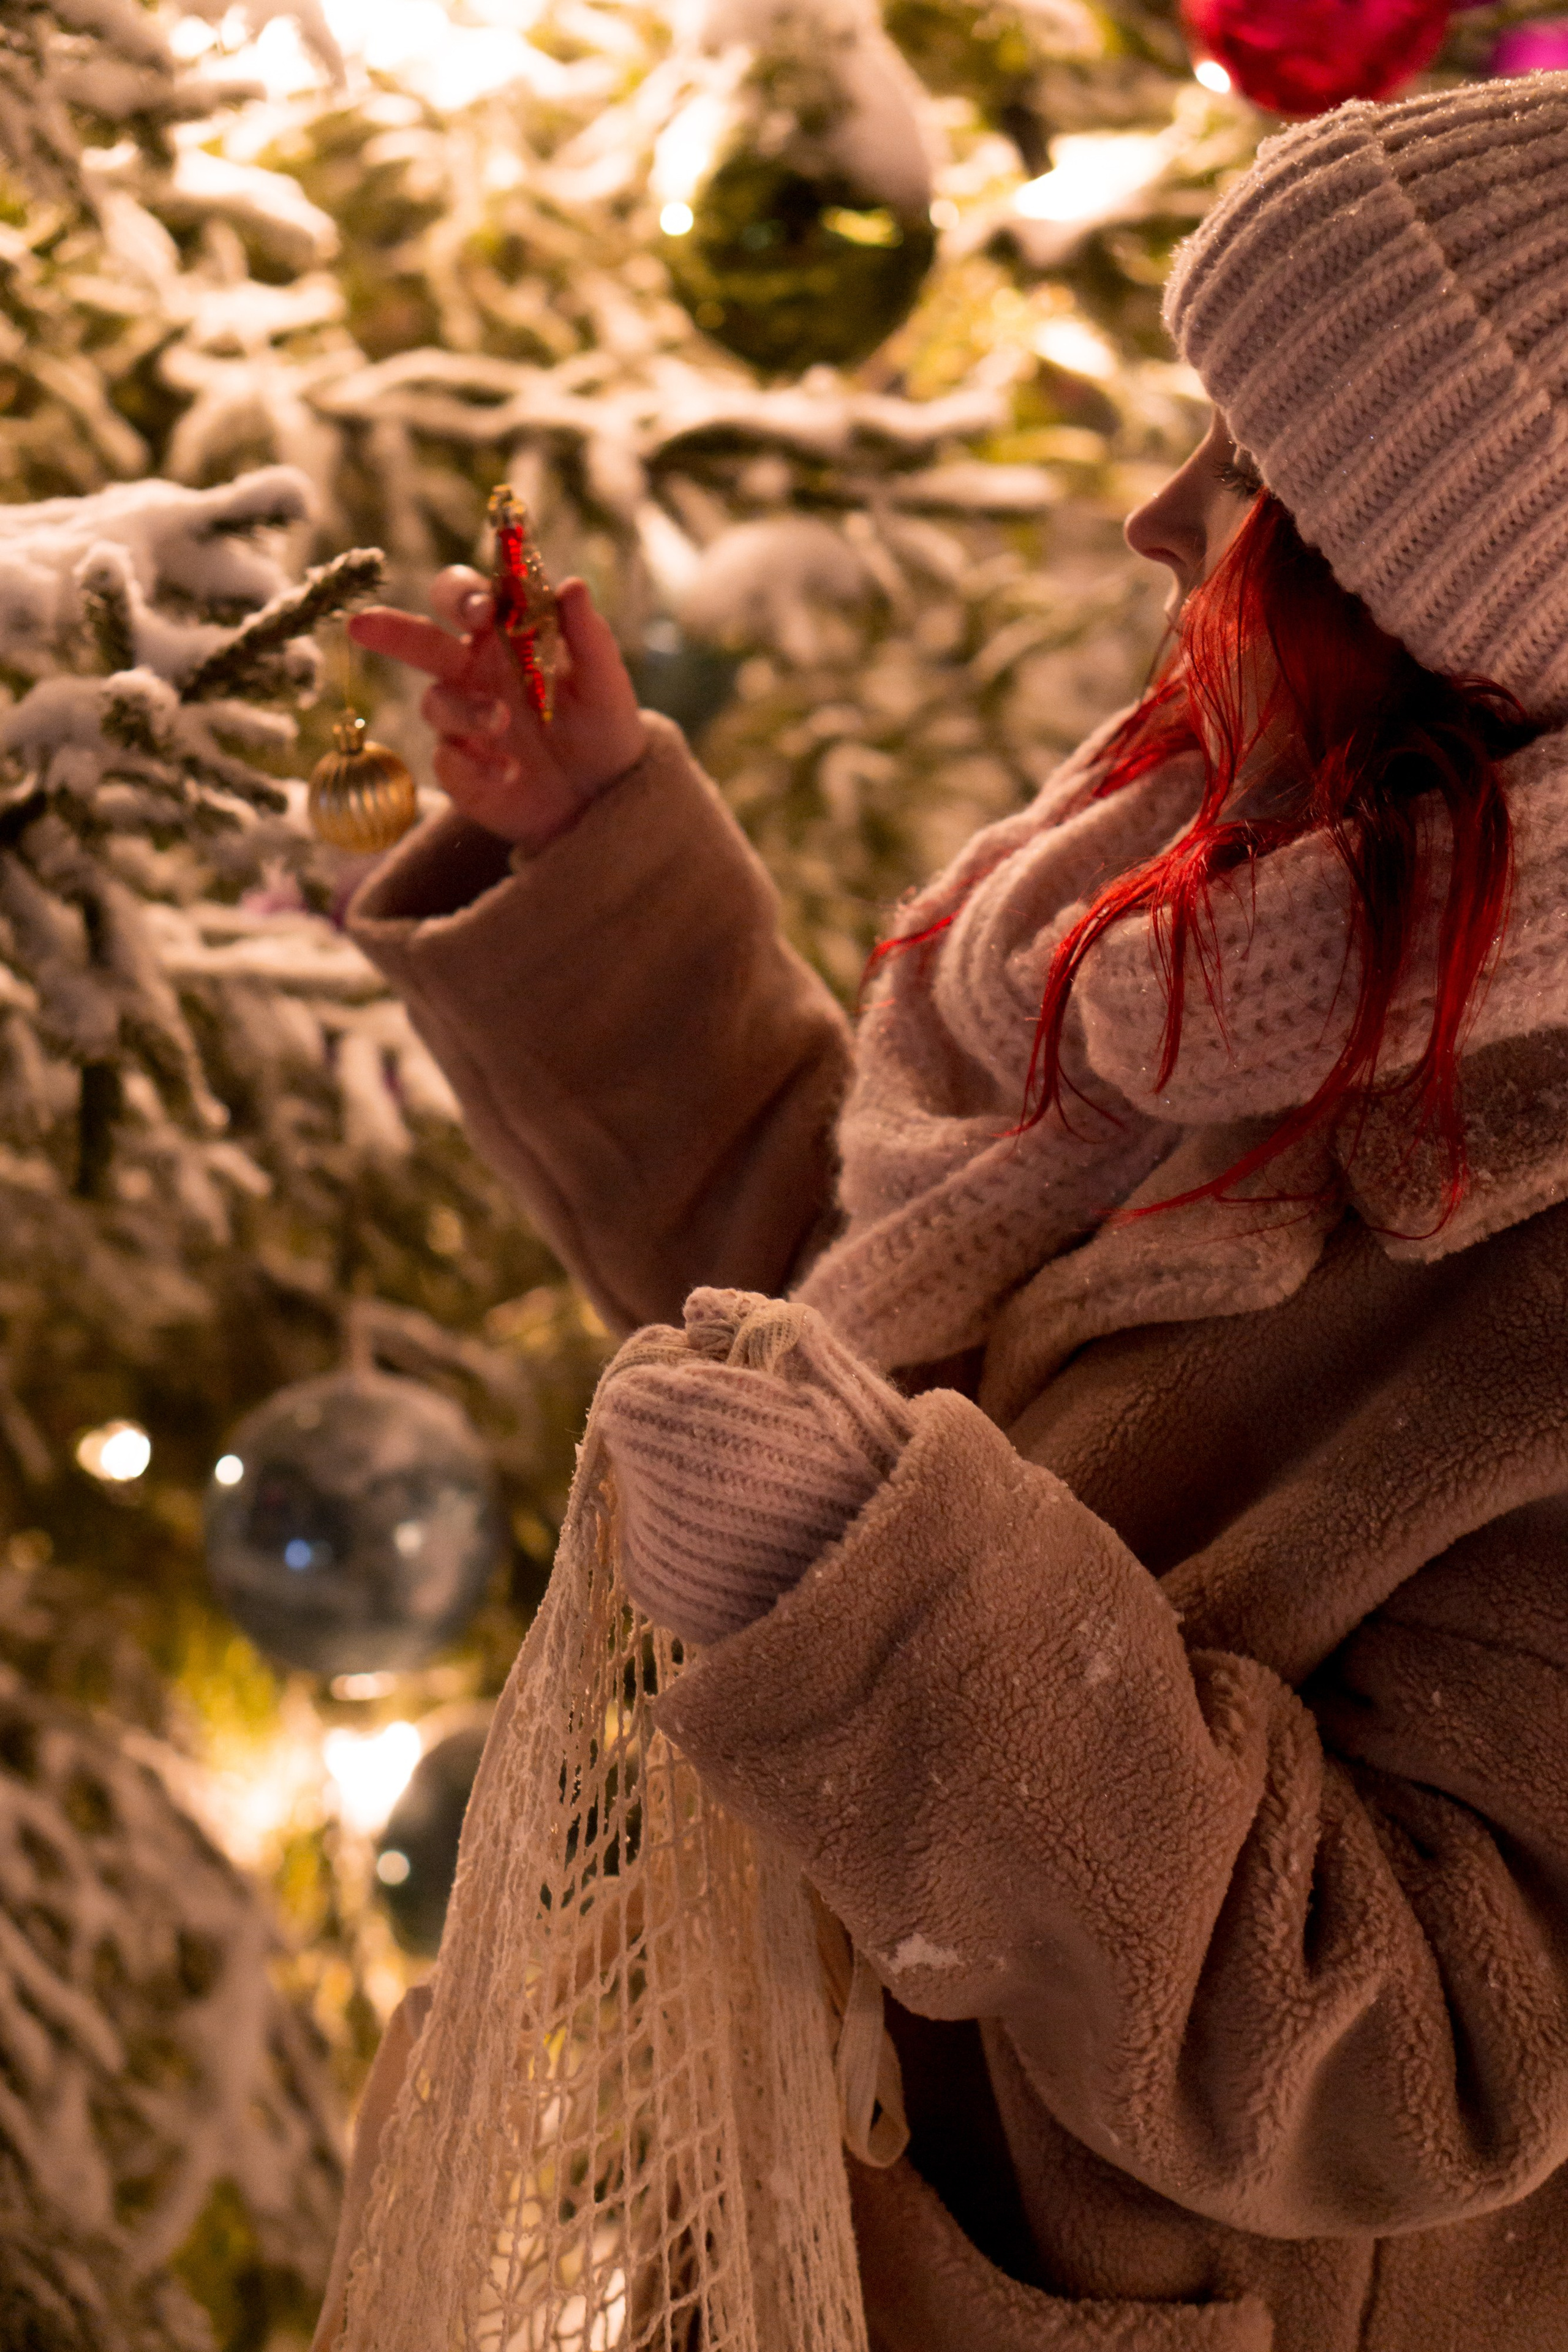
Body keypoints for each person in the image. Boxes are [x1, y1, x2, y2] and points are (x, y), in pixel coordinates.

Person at [331, 72, 1568, 2352]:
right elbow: (883, 1312)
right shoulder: (1225, 915)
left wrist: (887, 1596)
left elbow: (1424, 2060)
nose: (1154, 517)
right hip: (800, 2221)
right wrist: (590, 858)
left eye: (1253, 477)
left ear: (1446, 618)